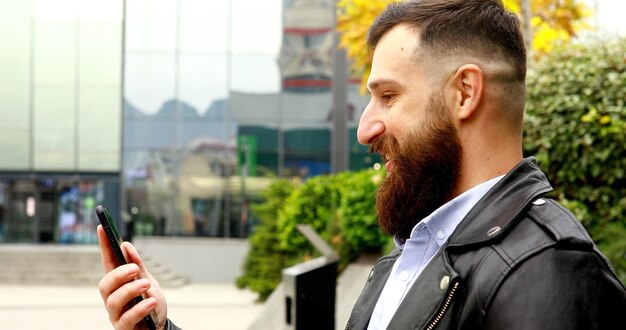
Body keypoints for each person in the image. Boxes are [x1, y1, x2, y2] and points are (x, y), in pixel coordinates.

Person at [345, 0, 626, 329]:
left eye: (388, 96)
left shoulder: (547, 270)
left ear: (465, 92)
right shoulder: (417, 250)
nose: (365, 131)